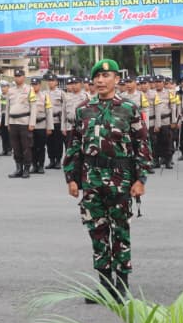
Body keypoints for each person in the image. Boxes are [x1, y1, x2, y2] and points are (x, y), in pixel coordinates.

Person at [64, 58, 151, 301]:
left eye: (106, 76)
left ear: (116, 79)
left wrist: (140, 179)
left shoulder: (129, 108)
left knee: (120, 230)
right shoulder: (83, 109)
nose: (101, 81)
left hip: (121, 179)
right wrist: (71, 178)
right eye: (97, 77)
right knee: (97, 231)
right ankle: (104, 285)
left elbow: (142, 144)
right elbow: (74, 146)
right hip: (92, 179)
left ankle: (121, 284)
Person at [5, 69, 34, 178]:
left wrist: (32, 122)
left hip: (24, 122)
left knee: (26, 147)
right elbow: (7, 107)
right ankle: (18, 168)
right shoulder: (10, 90)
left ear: (24, 77)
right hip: (13, 122)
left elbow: (33, 106)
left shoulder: (29, 89)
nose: (17, 78)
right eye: (16, 76)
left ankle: (26, 169)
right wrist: (7, 122)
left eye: (19, 76)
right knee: (15, 147)